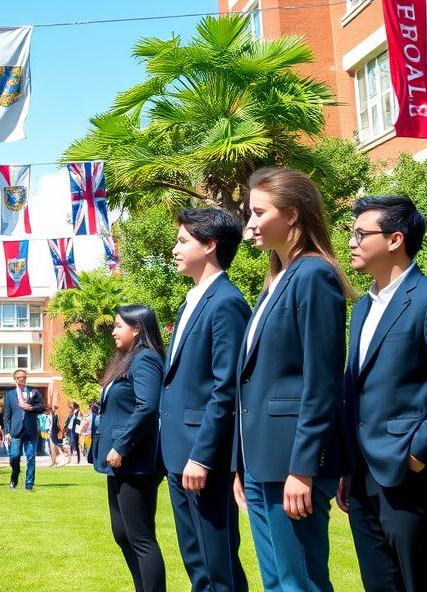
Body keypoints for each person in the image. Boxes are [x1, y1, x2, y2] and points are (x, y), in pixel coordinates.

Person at [337, 197, 427, 592]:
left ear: (395, 239)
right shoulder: (363, 306)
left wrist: (418, 453)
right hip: (363, 474)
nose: (352, 242)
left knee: (420, 583)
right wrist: (349, 465)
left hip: (412, 475)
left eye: (361, 234)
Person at [235, 167, 351, 592]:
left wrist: (303, 469)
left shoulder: (314, 275)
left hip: (291, 463)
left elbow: (321, 383)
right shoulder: (274, 282)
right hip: (261, 461)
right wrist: (239, 464)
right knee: (277, 582)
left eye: (258, 212)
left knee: (300, 582)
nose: (249, 223)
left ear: (293, 216)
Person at [160, 208, 250, 592]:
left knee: (218, 566)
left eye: (183, 241)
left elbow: (225, 386)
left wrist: (203, 454)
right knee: (198, 563)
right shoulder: (190, 302)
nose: (175, 249)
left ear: (210, 245)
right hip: (178, 453)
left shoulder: (226, 302)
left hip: (201, 457)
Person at [92, 304, 167, 592]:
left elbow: (148, 408)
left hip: (136, 462)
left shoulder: (145, 359)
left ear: (137, 328)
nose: (113, 331)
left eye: (118, 325)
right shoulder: (127, 360)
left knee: (140, 537)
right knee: (122, 533)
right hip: (121, 463)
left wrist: (122, 446)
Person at [3, 369, 43, 491]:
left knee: (31, 458)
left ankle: (29, 485)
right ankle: (14, 478)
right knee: (15, 457)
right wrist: (7, 432)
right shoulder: (10, 394)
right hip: (16, 430)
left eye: (24, 377)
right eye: (20, 377)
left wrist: (30, 408)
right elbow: (7, 415)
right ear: (15, 379)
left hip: (30, 430)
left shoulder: (34, 391)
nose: (23, 379)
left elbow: (41, 407)